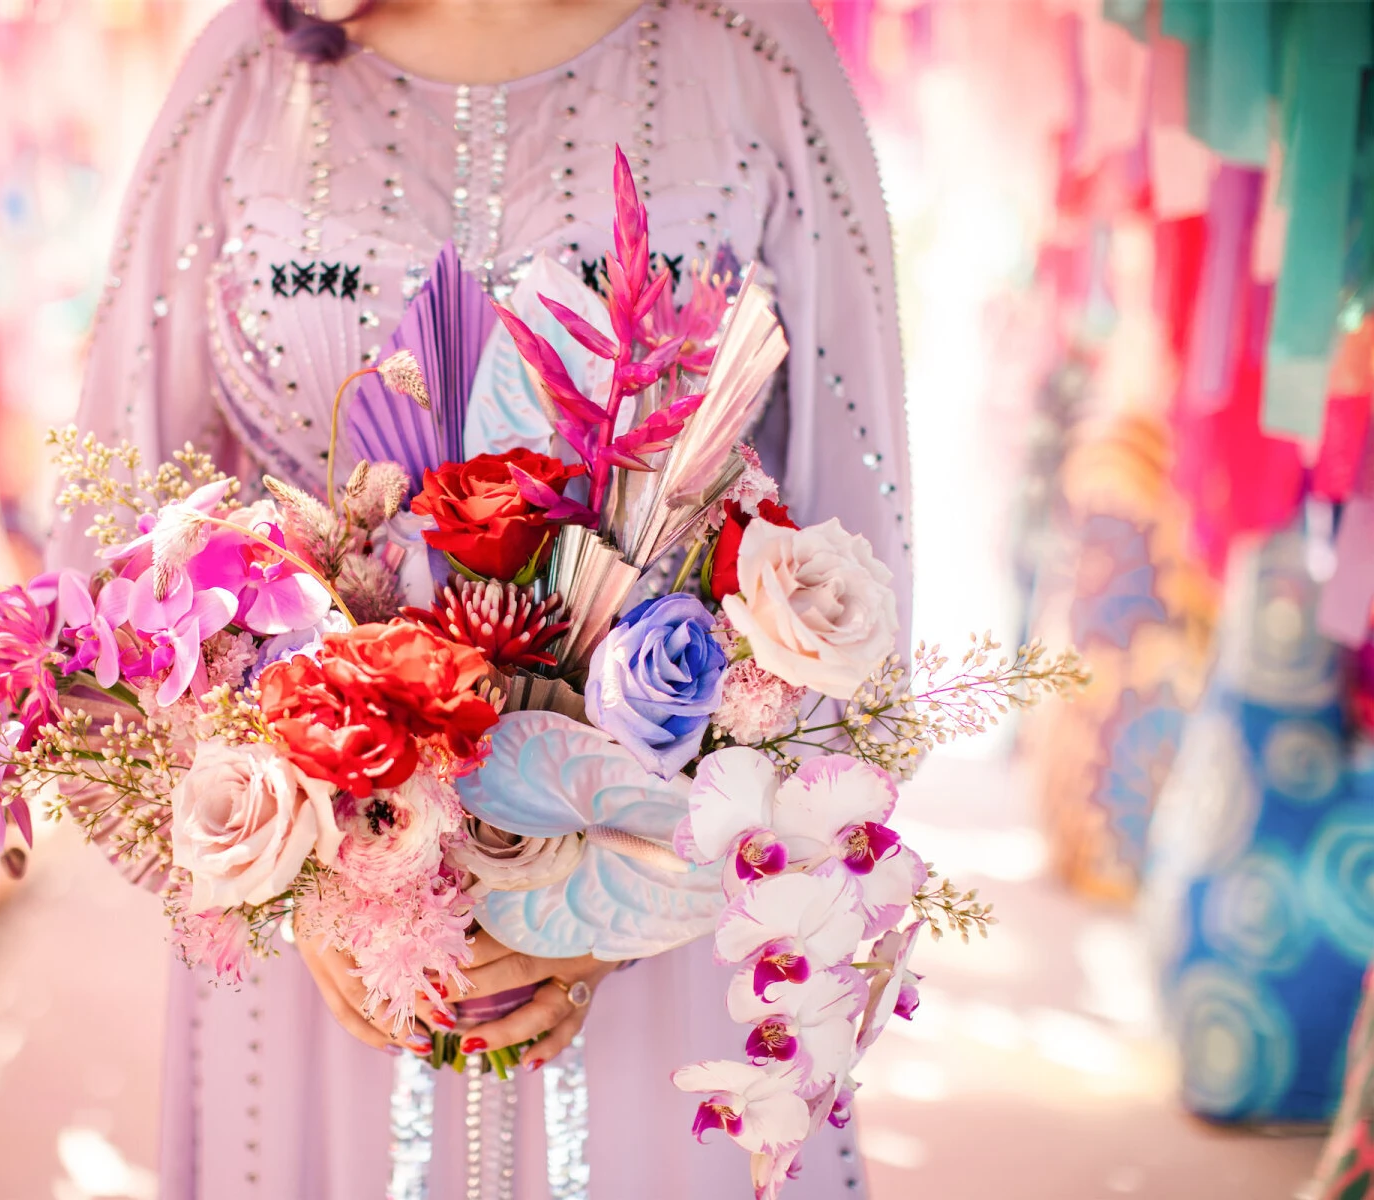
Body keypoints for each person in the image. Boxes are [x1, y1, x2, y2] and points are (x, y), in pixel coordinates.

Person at [53, 1, 912, 1195]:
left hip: (671, 933)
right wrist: (294, 888)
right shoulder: (242, 77)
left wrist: (631, 903)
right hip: (320, 961)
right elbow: (109, 579)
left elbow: (858, 545)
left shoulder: (755, 53)